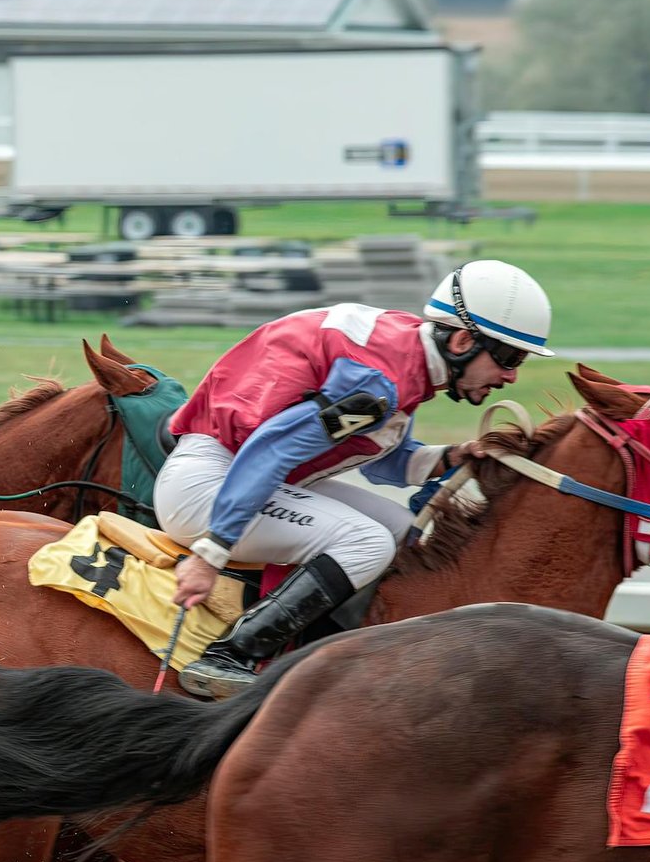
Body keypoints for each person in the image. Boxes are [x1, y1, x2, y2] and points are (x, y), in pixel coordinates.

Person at [160, 259, 554, 698]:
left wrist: (453, 456)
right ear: (462, 340)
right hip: (213, 482)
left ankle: (326, 650)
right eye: (509, 357)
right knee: (367, 542)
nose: (512, 375)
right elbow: (272, 449)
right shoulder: (379, 381)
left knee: (404, 530)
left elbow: (375, 455)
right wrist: (210, 554)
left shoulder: (404, 356)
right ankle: (231, 655)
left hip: (243, 472)